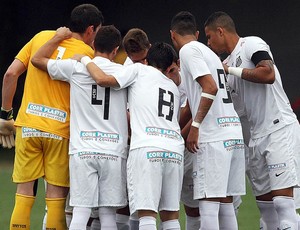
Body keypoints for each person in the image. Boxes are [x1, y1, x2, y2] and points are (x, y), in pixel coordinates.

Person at [0, 4, 103, 230]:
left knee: (24, 193)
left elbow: (10, 74)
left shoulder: (41, 37)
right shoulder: (86, 55)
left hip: (28, 125)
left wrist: (5, 115)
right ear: (90, 30)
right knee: (56, 197)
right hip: (60, 130)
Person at [204, 11, 300, 229]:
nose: (208, 43)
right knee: (266, 213)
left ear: (221, 31)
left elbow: (268, 74)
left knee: (284, 207)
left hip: (278, 130)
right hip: (254, 139)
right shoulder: (224, 70)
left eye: (210, 37)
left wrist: (230, 70)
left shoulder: (251, 44)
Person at [77, 42, 185, 230]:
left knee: (147, 215)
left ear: (147, 60)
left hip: (147, 148)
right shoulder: (173, 88)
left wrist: (84, 59)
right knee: (170, 216)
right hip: (174, 149)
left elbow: (102, 80)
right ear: (169, 67)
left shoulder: (138, 71)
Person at [32, 25, 129, 230]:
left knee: (81, 212)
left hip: (82, 150)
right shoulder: (125, 72)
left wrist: (58, 39)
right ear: (115, 50)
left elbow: (37, 60)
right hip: (113, 151)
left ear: (93, 44)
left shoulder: (75, 68)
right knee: (107, 215)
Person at [170, 11, 245, 230]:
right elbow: (195, 101)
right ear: (195, 33)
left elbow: (209, 87)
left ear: (172, 35)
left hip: (214, 137)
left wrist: (195, 127)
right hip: (233, 133)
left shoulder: (187, 51)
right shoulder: (210, 53)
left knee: (209, 206)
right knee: (226, 204)